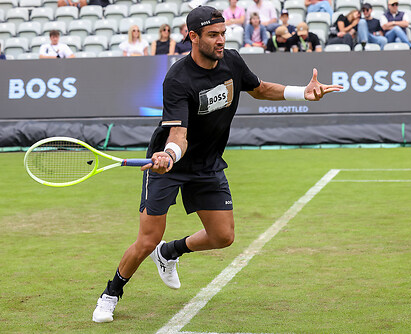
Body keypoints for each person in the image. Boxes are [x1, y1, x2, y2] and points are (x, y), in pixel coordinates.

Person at [92, 5, 342, 323]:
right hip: (168, 164)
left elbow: (260, 88)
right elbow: (178, 134)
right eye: (213, 35)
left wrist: (301, 94)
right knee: (147, 239)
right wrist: (168, 156)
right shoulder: (178, 79)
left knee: (223, 236)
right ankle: (111, 294)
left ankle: (170, 253)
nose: (221, 40)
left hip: (207, 164)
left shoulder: (232, 60)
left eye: (223, 33)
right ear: (193, 37)